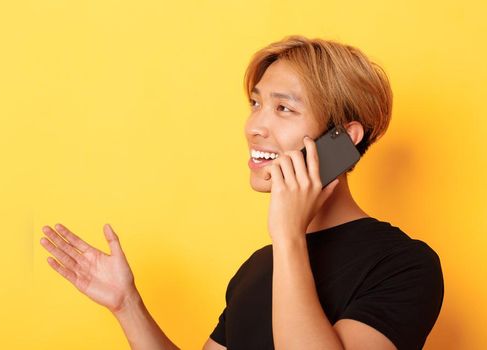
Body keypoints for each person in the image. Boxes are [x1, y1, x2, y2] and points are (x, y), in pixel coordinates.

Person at [38, 35, 444, 350]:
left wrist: (288, 236)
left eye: (283, 108)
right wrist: (127, 305)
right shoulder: (259, 267)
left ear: (343, 139)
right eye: (255, 104)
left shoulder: (405, 265)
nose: (254, 127)